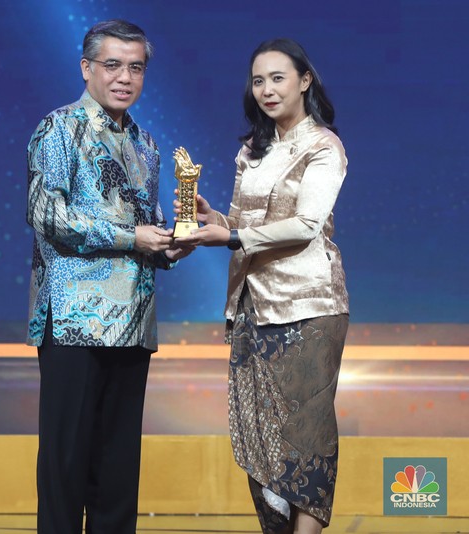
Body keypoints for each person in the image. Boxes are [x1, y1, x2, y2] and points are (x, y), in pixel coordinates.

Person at [174, 38, 349, 534]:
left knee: (305, 434)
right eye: (258, 81)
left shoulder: (323, 146)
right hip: (252, 305)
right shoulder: (251, 151)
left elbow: (305, 224)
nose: (267, 90)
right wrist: (217, 219)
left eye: (278, 78)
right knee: (259, 436)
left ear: (304, 81)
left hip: (309, 305)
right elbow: (250, 222)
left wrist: (228, 235)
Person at [26, 19, 193, 534]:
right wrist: (132, 238)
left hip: (134, 323)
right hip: (75, 322)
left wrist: (173, 243)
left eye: (135, 67)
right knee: (65, 465)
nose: (124, 77)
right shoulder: (59, 128)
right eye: (113, 65)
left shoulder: (147, 145)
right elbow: (47, 214)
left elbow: (145, 225)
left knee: (119, 472)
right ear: (87, 68)